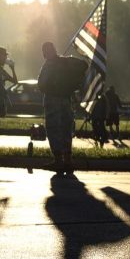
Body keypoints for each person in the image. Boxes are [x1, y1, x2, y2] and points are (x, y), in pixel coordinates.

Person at [37, 41, 78, 174]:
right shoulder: (66, 62)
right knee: (66, 129)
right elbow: (83, 65)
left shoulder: (48, 65)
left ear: (45, 52)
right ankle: (68, 159)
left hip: (52, 100)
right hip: (66, 100)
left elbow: (41, 84)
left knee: (53, 129)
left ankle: (58, 160)